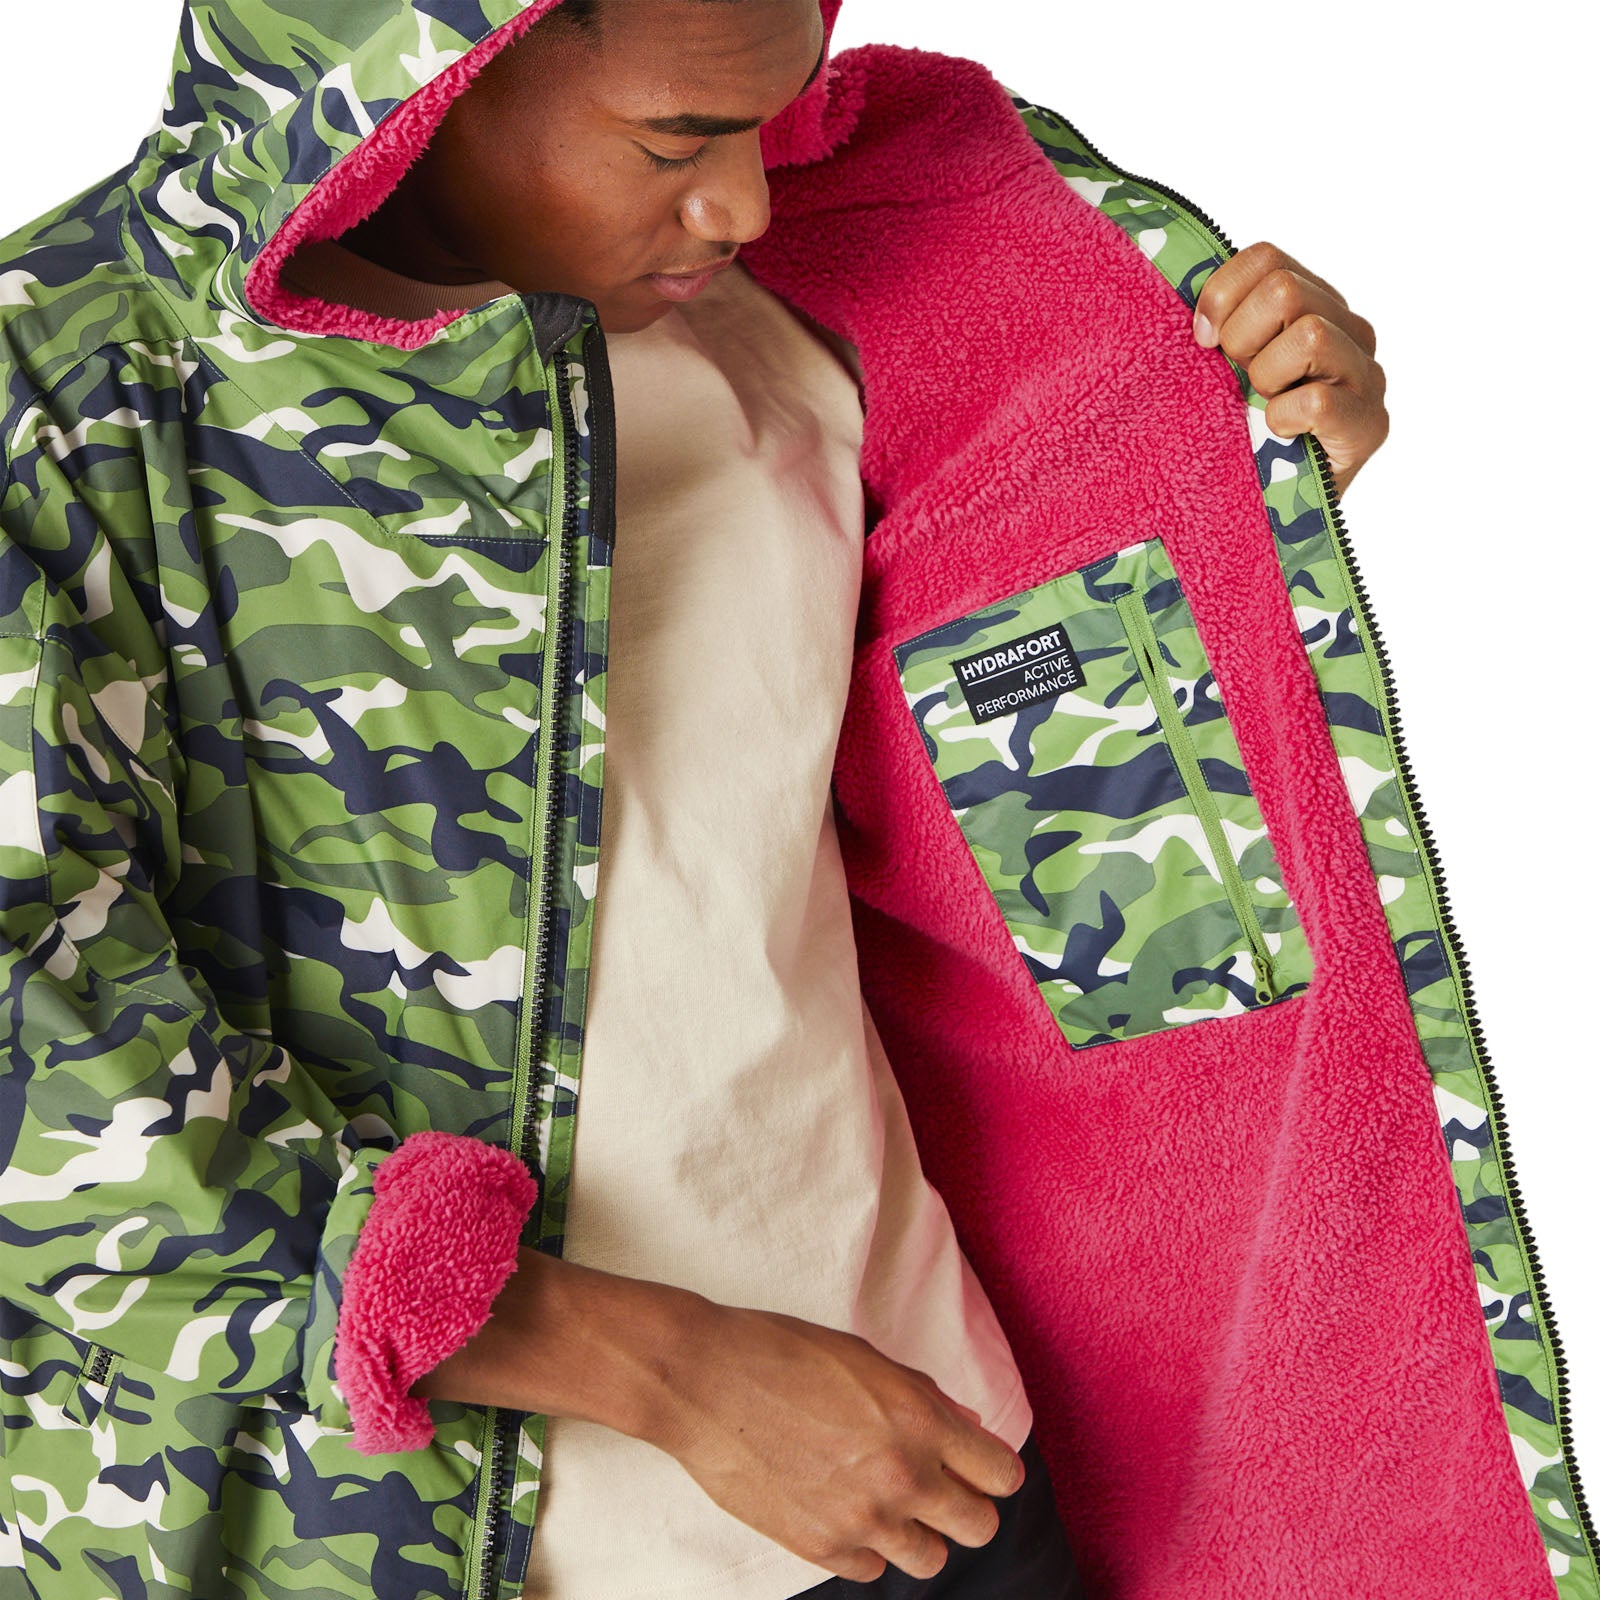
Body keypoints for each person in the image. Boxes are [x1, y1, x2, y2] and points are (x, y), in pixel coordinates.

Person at [5, 3, 1587, 1600]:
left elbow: (1077, 847)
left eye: (771, 120)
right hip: (406, 1542)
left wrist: (1230, 476)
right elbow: (35, 1049)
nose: (745, 202)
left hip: (937, 1469)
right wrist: (670, 1371)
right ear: (425, 76)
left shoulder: (825, 315)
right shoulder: (61, 403)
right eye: (676, 142)